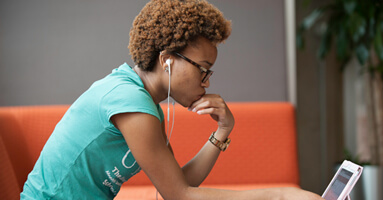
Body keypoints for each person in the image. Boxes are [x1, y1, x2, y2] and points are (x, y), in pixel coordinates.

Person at [21, 0, 324, 199]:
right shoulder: (131, 103)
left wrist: (221, 132)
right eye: (202, 70)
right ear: (167, 60)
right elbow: (179, 196)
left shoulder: (142, 101)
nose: (206, 83)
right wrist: (282, 196)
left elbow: (179, 184)